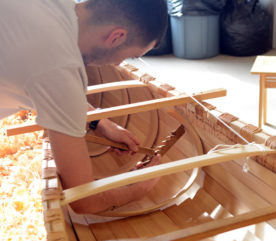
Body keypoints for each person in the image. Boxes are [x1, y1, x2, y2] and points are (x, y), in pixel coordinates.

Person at [0, 0, 168, 214]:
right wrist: (141, 187)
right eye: (130, 55)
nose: (118, 65)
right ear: (116, 37)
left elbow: (49, 83)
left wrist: (98, 120)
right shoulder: (61, 69)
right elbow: (83, 200)